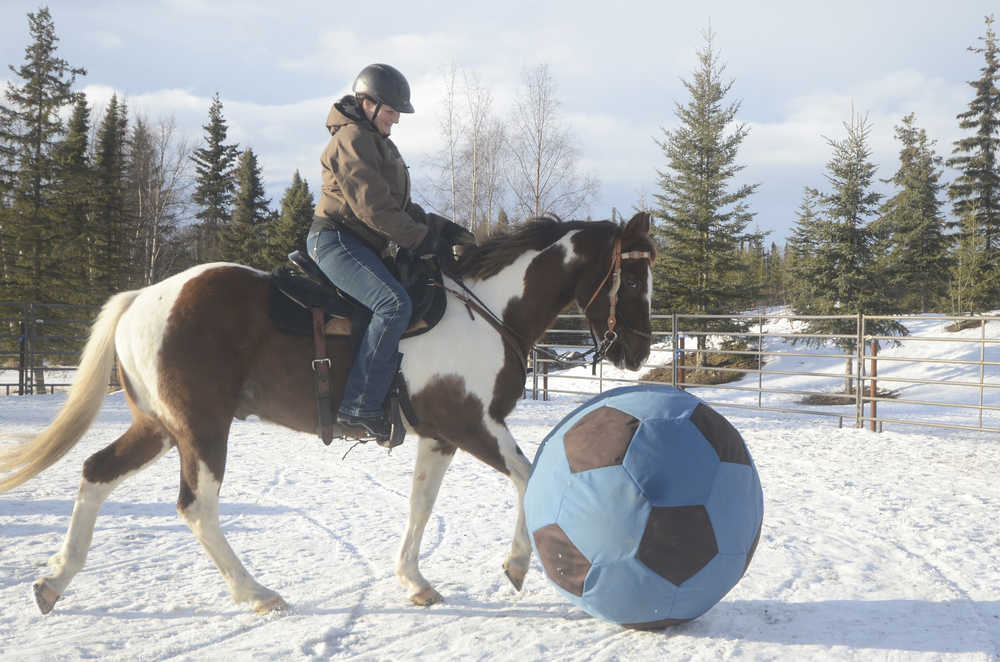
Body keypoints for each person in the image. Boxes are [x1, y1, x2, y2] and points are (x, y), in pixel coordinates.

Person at [307, 63, 436, 441]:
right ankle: (359, 405)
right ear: (369, 103)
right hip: (335, 239)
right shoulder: (352, 139)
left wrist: (436, 228)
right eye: (392, 112)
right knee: (393, 305)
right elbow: (372, 207)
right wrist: (418, 239)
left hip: (361, 242)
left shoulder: (377, 140)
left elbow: (395, 204)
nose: (395, 121)